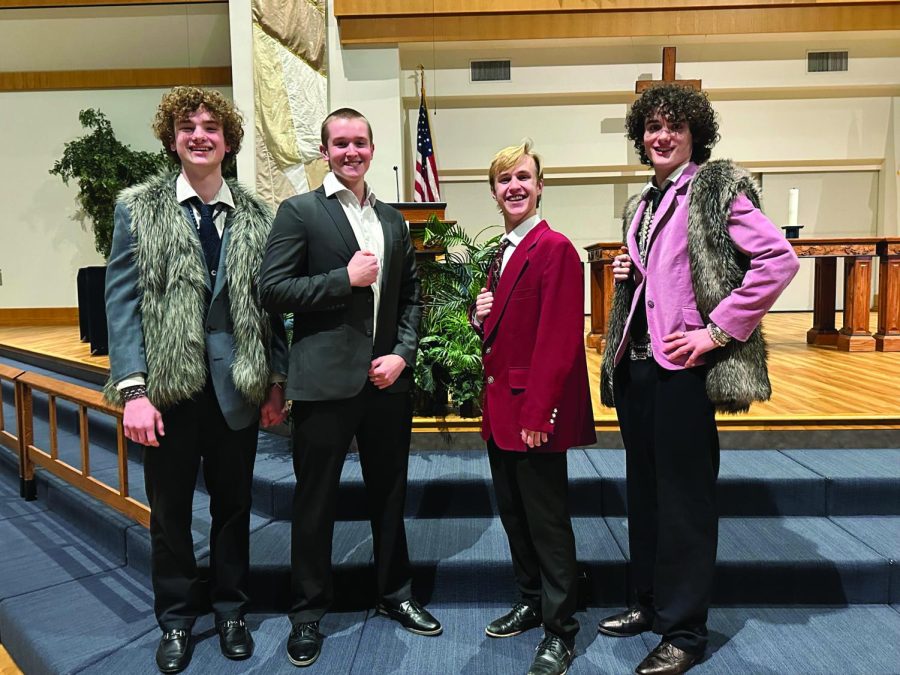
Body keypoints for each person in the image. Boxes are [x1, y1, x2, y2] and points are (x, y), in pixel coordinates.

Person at [597, 83, 800, 675]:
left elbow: (778, 261)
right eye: (652, 128)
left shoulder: (715, 188)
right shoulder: (644, 203)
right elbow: (664, 272)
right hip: (637, 367)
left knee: (685, 502)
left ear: (694, 135)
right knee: (645, 494)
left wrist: (717, 332)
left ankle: (684, 633)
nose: (661, 136)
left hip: (683, 369)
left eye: (673, 127)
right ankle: (650, 602)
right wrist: (629, 266)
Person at [104, 86, 288, 674]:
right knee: (172, 511)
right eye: (188, 126)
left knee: (235, 507)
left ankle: (232, 609)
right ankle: (178, 620)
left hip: (238, 386)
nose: (200, 135)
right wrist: (132, 390)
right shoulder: (138, 206)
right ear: (173, 138)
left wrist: (276, 381)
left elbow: (271, 306)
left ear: (229, 142)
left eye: (211, 126)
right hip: (167, 388)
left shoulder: (261, 215)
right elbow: (122, 304)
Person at [259, 108, 441, 668]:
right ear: (325, 151)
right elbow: (272, 289)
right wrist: (345, 280)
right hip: (323, 384)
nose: (352, 152)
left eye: (360, 142)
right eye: (341, 143)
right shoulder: (299, 212)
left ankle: (395, 594)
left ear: (371, 146)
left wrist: (402, 355)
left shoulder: (392, 220)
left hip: (384, 382)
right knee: (315, 504)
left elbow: (411, 298)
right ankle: (309, 611)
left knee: (390, 495)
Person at [471, 141, 596, 675]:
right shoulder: (504, 250)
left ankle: (560, 628)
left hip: (531, 415)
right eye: (504, 180)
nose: (514, 187)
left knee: (547, 523)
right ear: (494, 191)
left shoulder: (556, 248)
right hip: (502, 410)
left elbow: (559, 340)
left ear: (540, 185)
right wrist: (483, 318)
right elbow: (506, 333)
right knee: (515, 517)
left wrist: (539, 415)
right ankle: (530, 598)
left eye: (523, 177)